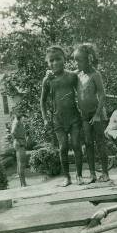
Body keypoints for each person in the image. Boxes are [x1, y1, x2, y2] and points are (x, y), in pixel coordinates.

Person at [40, 45, 84, 186]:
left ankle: (79, 175)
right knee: (63, 147)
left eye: (58, 59)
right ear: (48, 63)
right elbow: (42, 101)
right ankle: (67, 177)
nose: (55, 63)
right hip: (58, 119)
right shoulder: (47, 80)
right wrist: (45, 118)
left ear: (64, 59)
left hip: (74, 117)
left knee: (76, 144)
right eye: (51, 61)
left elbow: (81, 91)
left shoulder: (72, 76)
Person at [73, 43, 110, 183]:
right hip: (84, 115)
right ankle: (93, 174)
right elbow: (64, 75)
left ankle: (105, 173)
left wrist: (97, 114)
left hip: (97, 113)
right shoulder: (77, 75)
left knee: (100, 142)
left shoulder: (96, 75)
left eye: (79, 60)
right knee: (88, 143)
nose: (77, 63)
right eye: (75, 60)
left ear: (88, 59)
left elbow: (102, 95)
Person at [11, 113, 27, 187]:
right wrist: (17, 141)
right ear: (20, 117)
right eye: (23, 117)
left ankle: (22, 183)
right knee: (21, 163)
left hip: (21, 143)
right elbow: (13, 133)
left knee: (20, 163)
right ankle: (23, 184)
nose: (24, 118)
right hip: (19, 144)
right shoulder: (17, 123)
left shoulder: (20, 123)